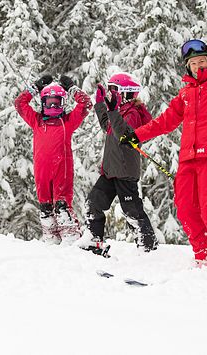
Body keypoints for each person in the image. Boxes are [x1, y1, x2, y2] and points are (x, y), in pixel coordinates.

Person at [120, 0, 207, 268]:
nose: (197, 66)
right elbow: (165, 121)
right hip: (188, 160)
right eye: (192, 64)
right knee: (185, 208)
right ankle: (205, 256)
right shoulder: (186, 94)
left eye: (201, 61)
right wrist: (137, 135)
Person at [83, 73, 157, 257]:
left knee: (131, 210)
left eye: (114, 90)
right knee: (93, 204)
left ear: (125, 93)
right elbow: (107, 125)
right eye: (110, 90)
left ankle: (148, 247)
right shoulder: (119, 110)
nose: (111, 94)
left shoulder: (133, 113)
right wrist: (101, 105)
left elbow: (123, 134)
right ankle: (94, 241)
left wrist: (113, 110)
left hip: (124, 170)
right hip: (110, 171)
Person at [14, 75, 92, 245]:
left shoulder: (67, 122)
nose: (53, 106)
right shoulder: (37, 121)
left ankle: (71, 240)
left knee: (62, 206)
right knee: (46, 208)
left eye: (57, 102)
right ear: (43, 103)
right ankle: (52, 243)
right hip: (42, 173)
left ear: (63, 103)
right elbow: (20, 103)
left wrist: (71, 88)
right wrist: (35, 87)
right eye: (49, 102)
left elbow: (86, 103)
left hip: (61, 171)